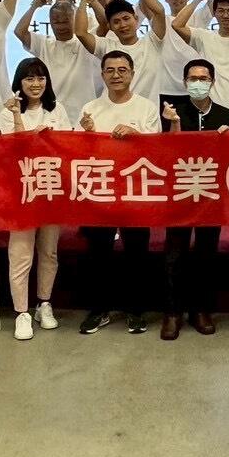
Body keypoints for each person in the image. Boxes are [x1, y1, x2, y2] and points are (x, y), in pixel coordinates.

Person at [76, 50, 160, 335]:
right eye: (110, 70)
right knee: (98, 254)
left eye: (122, 70)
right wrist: (88, 134)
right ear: (102, 74)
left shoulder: (146, 107)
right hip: (100, 192)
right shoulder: (90, 108)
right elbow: (78, 152)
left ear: (132, 73)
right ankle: (99, 310)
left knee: (136, 253)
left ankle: (135, 310)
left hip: (136, 191)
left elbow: (158, 150)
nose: (116, 75)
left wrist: (136, 135)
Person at [160, 58, 229, 340]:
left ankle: (201, 309)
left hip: (211, 195)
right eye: (193, 78)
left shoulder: (226, 114)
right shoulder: (172, 112)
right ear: (184, 82)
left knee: (206, 253)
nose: (198, 83)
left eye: (204, 78)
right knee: (174, 254)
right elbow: (166, 153)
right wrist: (174, 124)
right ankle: (172, 312)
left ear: (212, 82)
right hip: (179, 194)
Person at [0, 58, 70, 341]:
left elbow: (67, 146)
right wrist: (24, 124)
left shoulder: (57, 110)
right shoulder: (7, 111)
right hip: (21, 194)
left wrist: (47, 140)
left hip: (51, 191)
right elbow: (13, 148)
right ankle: (21, 312)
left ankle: (44, 303)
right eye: (29, 78)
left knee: (49, 252)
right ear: (19, 82)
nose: (35, 83)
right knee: (21, 254)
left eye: (40, 78)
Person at [14, 0, 98, 118]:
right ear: (50, 22)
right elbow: (19, 32)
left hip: (84, 114)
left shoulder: (85, 42)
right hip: (52, 114)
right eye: (56, 22)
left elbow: (104, 23)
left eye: (65, 21)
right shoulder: (44, 43)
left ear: (74, 20)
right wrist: (34, 7)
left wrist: (91, 0)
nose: (61, 26)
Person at [79, 0, 167, 105]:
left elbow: (159, 11)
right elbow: (81, 33)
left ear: (136, 19)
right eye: (116, 21)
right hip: (111, 111)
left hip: (146, 113)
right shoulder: (106, 46)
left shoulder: (153, 41)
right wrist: (84, 1)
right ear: (110, 26)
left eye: (126, 18)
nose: (123, 25)